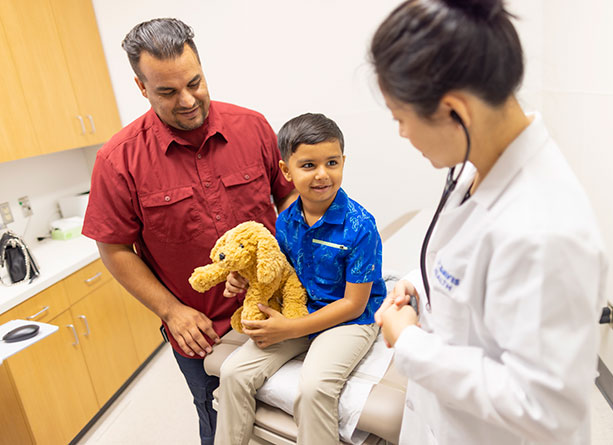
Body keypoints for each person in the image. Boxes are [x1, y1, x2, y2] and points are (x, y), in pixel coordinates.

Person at [370, 1, 608, 444]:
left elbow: (545, 407)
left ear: (456, 110)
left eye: (401, 118)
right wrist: (416, 285)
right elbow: (463, 266)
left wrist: (409, 344)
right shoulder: (475, 165)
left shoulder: (546, 229)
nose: (402, 134)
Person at [81, 18, 297, 445]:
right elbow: (115, 248)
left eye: (194, 83)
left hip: (279, 310)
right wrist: (171, 311)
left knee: (291, 424)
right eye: (167, 91)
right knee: (221, 427)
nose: (187, 100)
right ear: (142, 88)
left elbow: (288, 198)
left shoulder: (252, 127)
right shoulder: (117, 160)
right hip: (203, 332)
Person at [216, 113, 386, 445]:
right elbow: (280, 274)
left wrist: (291, 329)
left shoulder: (360, 226)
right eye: (308, 165)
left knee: (313, 389)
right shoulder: (286, 221)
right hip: (300, 309)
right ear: (285, 171)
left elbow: (354, 304)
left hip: (350, 319)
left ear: (343, 162)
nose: (323, 174)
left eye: (332, 162)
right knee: (233, 373)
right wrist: (243, 279)